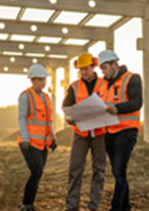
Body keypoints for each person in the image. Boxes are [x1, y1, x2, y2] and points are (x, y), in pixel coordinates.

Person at [97, 50, 143, 211]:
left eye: (104, 67)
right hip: (109, 133)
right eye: (101, 69)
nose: (102, 71)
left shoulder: (132, 78)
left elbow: (137, 102)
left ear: (114, 64)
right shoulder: (103, 84)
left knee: (119, 169)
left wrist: (118, 108)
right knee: (118, 173)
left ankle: (116, 208)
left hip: (126, 131)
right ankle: (126, 207)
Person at [63, 53, 107, 211]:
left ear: (93, 66)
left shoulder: (104, 84)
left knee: (99, 171)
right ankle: (71, 207)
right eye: (81, 70)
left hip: (100, 134)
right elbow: (67, 107)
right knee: (75, 169)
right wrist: (69, 118)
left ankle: (93, 206)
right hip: (80, 134)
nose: (83, 72)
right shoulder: (74, 86)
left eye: (86, 69)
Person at [18, 63, 57, 211]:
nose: (43, 82)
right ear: (32, 80)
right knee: (36, 172)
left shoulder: (47, 97)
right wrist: (25, 139)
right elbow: (21, 118)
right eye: (39, 80)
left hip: (43, 143)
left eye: (44, 79)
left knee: (38, 174)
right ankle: (26, 204)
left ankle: (30, 204)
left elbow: (48, 120)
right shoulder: (25, 96)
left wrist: (53, 137)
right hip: (29, 143)